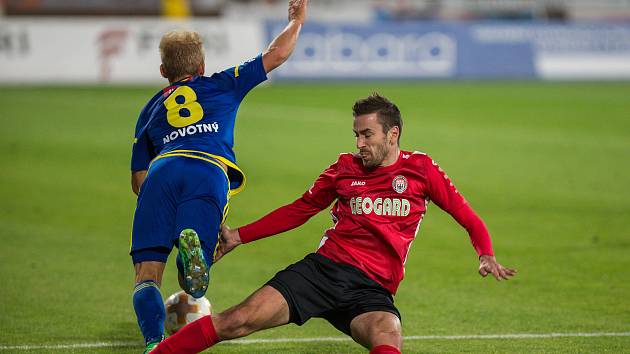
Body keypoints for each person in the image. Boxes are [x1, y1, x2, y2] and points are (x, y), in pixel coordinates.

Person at [152, 93, 517, 354]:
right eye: (356, 134)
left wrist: (485, 253)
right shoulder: (343, 168)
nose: (359, 143)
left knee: (388, 336)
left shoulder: (421, 169)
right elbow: (300, 209)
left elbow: (468, 217)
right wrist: (239, 236)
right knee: (236, 320)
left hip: (372, 289)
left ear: (393, 135)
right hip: (322, 272)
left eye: (367, 135)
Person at [129, 1, 308, 352]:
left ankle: (153, 343)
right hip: (207, 169)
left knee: (146, 275)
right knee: (196, 280)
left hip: (161, 171)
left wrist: (155, 204)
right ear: (201, 65)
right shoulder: (222, 83)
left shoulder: (150, 109)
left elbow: (138, 180)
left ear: (163, 69)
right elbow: (277, 53)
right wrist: (296, 20)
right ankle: (190, 260)